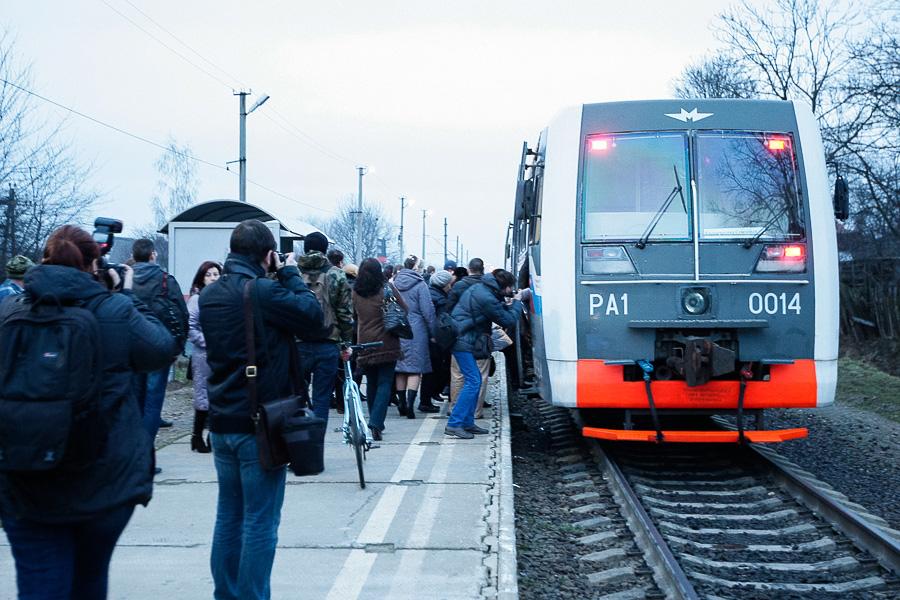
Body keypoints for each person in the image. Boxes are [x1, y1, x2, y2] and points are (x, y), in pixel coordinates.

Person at [0, 225, 174, 599]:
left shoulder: (9, 310)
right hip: (101, 480)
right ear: (95, 264)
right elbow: (161, 348)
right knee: (89, 580)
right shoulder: (114, 309)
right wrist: (126, 295)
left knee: (39, 582)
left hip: (24, 476)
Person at [199, 219, 323, 600]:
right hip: (259, 424)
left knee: (228, 516)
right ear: (268, 255)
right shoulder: (263, 292)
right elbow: (313, 315)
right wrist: (290, 273)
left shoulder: (209, 295)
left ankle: (226, 593)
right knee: (260, 521)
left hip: (222, 420)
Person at [445, 269, 522, 439]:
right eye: (510, 287)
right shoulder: (486, 297)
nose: (511, 290)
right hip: (463, 341)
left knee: (475, 380)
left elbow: (497, 310)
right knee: (473, 381)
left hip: (465, 339)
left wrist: (508, 303)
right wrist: (517, 302)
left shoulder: (483, 289)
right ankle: (454, 423)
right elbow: (508, 320)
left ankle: (467, 422)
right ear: (504, 285)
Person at [130, 238, 189, 459]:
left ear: (134, 256)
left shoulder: (125, 280)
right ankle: (146, 456)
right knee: (153, 403)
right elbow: (181, 313)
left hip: (132, 348)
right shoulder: (165, 280)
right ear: (153, 255)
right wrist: (178, 346)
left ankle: (134, 453)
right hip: (159, 347)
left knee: (135, 401)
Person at [297, 232, 354, 426]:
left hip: (298, 344)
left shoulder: (293, 273)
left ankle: (298, 437)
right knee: (322, 397)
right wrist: (346, 342)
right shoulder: (336, 274)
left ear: (305, 248)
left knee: (296, 396)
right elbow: (345, 313)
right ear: (325, 250)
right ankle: (317, 440)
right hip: (327, 342)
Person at [352, 258, 407, 440]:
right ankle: (376, 423)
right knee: (385, 382)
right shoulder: (386, 289)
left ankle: (374, 421)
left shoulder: (356, 292)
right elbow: (404, 308)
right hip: (387, 341)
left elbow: (352, 315)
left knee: (372, 382)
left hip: (365, 341)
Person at [393, 255, 439, 416]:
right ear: (416, 268)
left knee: (400, 368)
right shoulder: (420, 285)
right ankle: (411, 405)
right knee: (414, 369)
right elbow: (428, 311)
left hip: (398, 328)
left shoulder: (394, 283)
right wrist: (433, 332)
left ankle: (402, 403)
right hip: (416, 330)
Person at [187, 260, 222, 453]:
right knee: (203, 395)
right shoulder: (196, 299)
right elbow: (191, 327)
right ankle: (197, 435)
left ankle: (212, 436)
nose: (213, 278)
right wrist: (208, 342)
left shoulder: (223, 296)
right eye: (208, 275)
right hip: (203, 353)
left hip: (221, 351)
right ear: (202, 278)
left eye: (216, 274)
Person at [421, 269, 453, 405]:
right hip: (435, 338)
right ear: (444, 284)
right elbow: (439, 321)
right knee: (433, 368)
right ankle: (426, 401)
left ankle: (430, 396)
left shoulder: (429, 292)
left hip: (426, 335)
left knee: (431, 368)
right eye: (449, 284)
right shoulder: (440, 299)